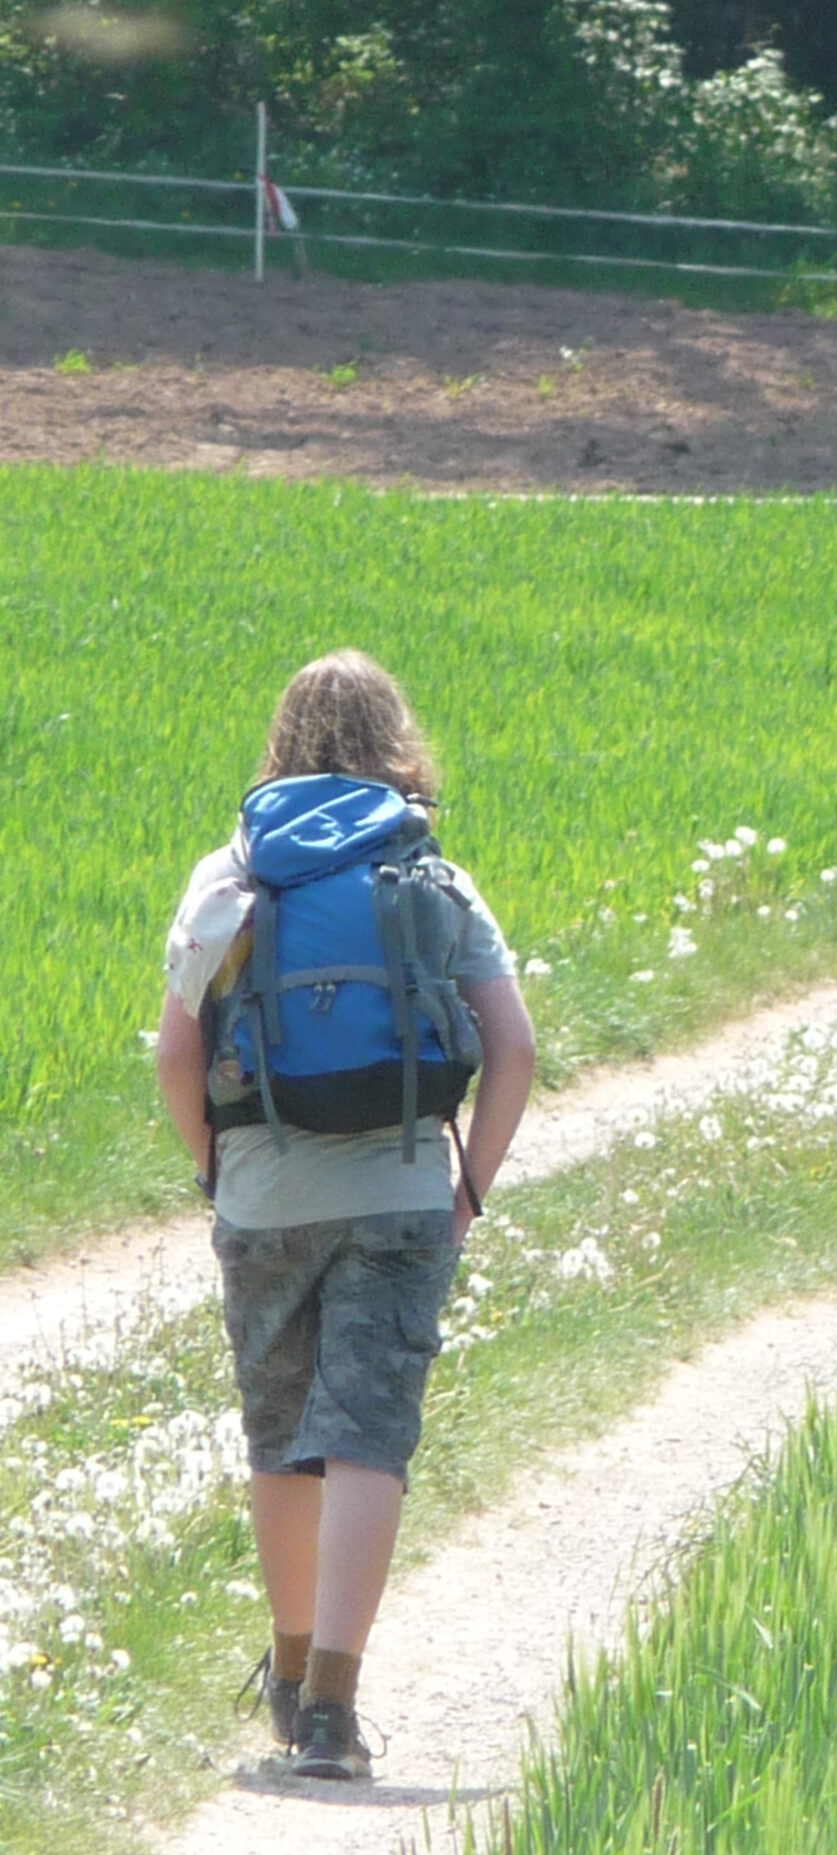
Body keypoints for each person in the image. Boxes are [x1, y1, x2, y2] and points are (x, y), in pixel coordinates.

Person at [155, 650, 537, 1782]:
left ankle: (282, 1671)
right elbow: (513, 1048)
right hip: (403, 1189)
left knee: (282, 1432)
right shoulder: (432, 874)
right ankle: (331, 1706)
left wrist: (216, 1170)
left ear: (280, 745)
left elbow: (178, 1056)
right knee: (367, 1432)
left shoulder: (228, 876)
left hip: (267, 1186)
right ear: (397, 742)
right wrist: (469, 1188)